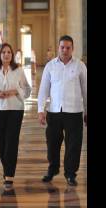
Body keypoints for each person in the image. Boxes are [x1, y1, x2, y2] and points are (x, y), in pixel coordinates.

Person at [37, 35, 87, 186]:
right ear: (58, 48)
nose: (65, 50)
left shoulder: (80, 66)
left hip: (74, 112)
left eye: (68, 48)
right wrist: (41, 110)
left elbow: (86, 90)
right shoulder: (50, 66)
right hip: (54, 112)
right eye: (62, 47)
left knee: (74, 145)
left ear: (73, 49)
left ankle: (71, 174)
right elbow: (43, 89)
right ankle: (52, 170)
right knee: (52, 143)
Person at [0, 43, 31, 189]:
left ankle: (9, 176)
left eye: (9, 52)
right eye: (4, 52)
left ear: (12, 55)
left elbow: (27, 90)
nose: (7, 54)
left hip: (15, 109)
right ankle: (6, 169)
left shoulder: (18, 70)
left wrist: (16, 91)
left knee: (12, 142)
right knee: (1, 142)